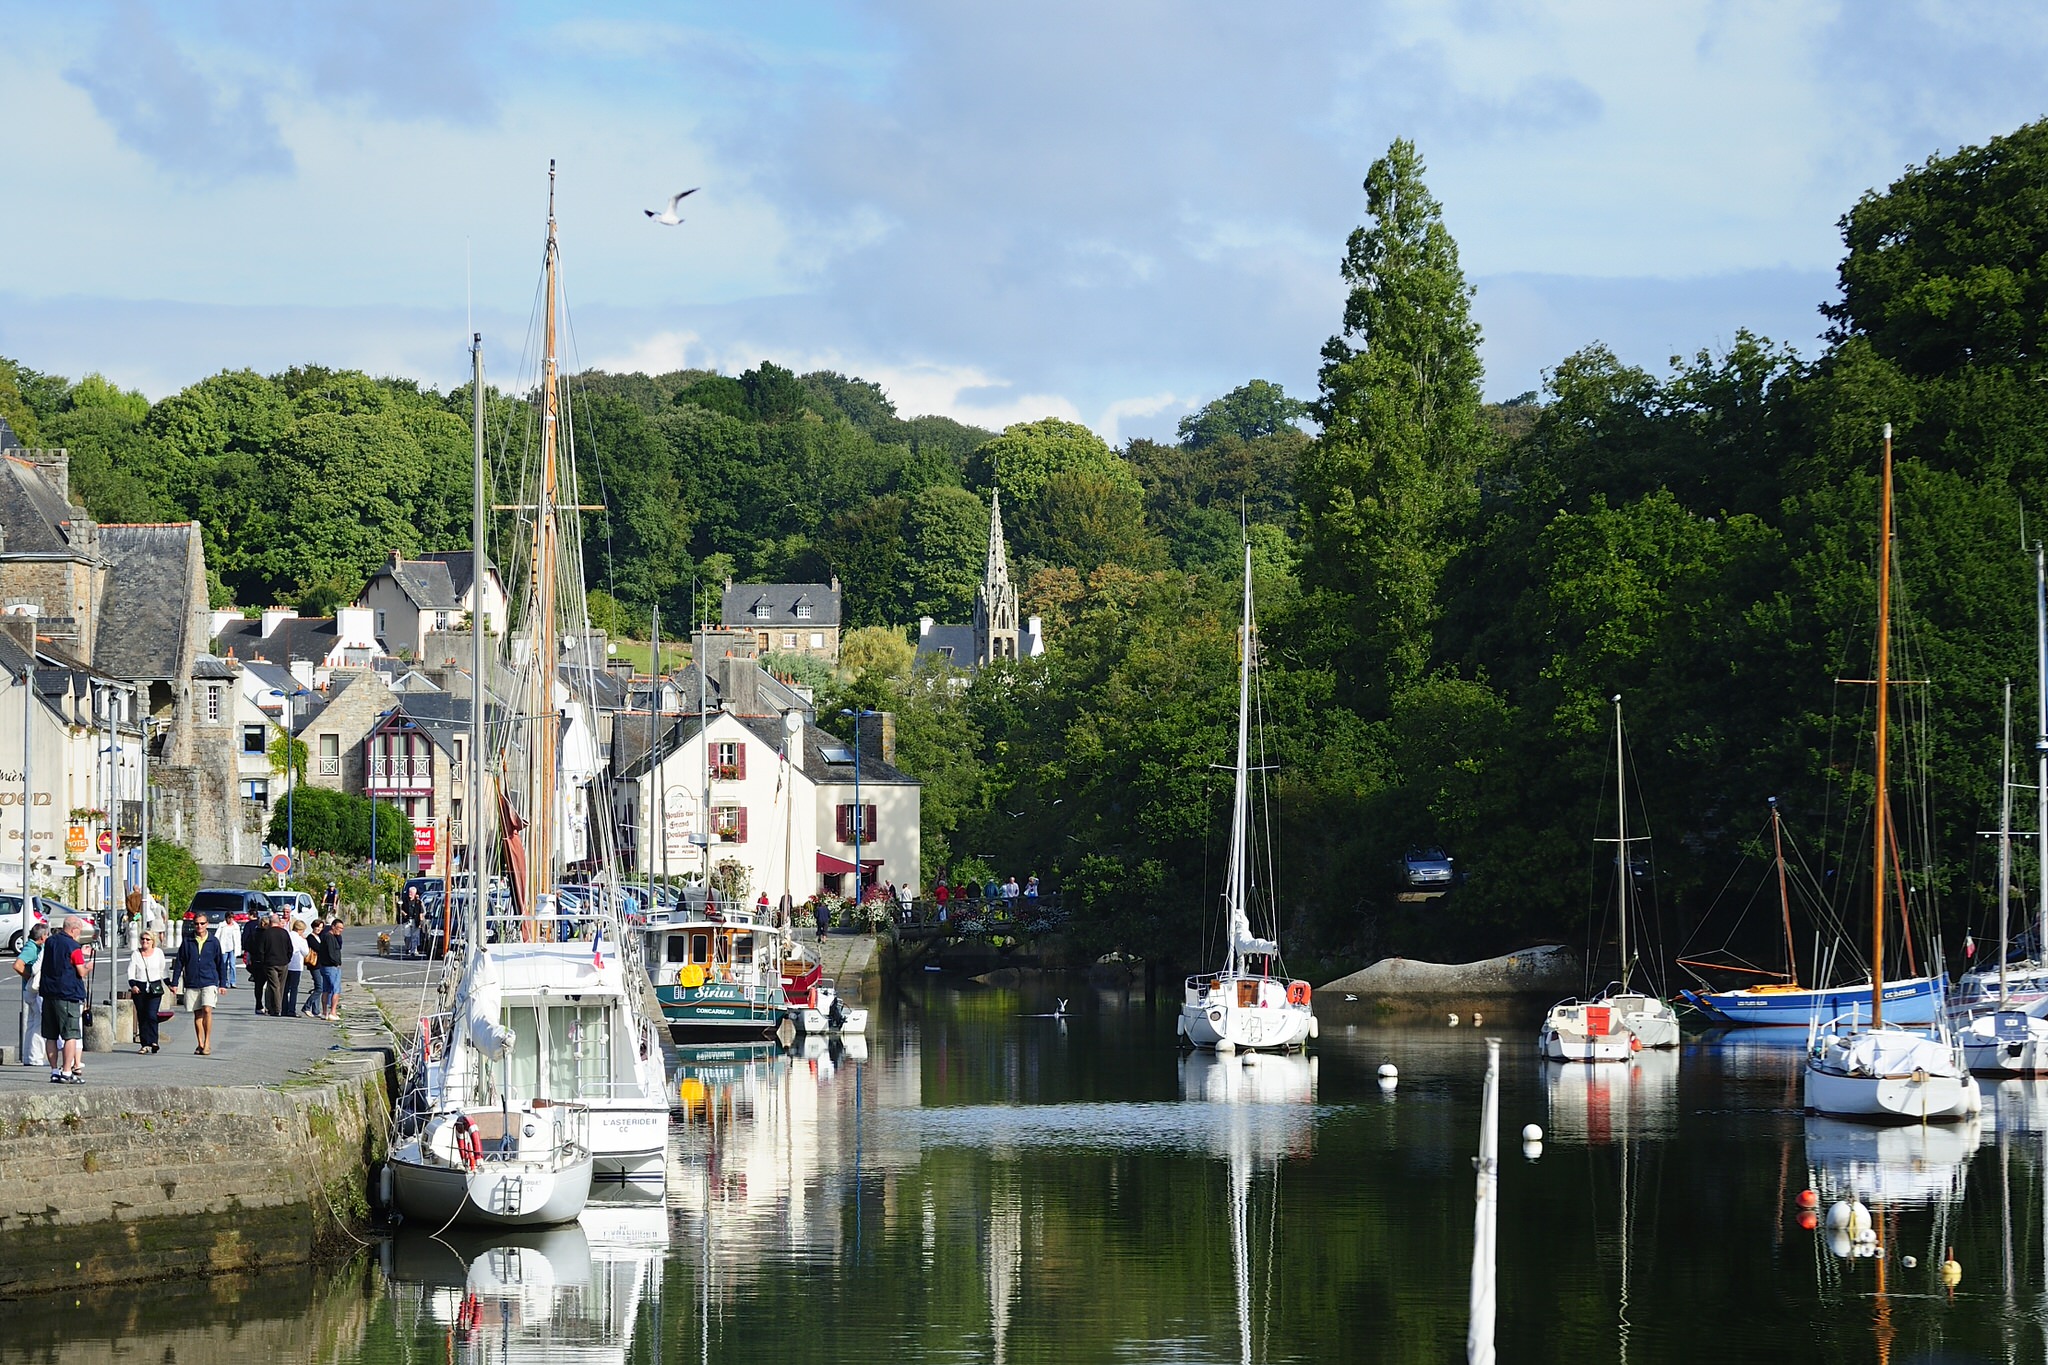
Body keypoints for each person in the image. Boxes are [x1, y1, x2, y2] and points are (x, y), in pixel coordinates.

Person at [39, 915, 91, 1084]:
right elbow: (80, 971)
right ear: (74, 929)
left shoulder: (51, 942)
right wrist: (88, 965)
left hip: (49, 993)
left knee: (51, 1035)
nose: (79, 934)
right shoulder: (73, 946)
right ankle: (67, 1072)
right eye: (79, 931)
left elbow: (60, 959)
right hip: (67, 994)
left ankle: (54, 1071)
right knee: (70, 1035)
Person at [171, 912, 227, 1055]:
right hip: (192, 981)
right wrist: (175, 982)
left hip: (209, 980)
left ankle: (207, 1042)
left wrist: (222, 983)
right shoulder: (188, 941)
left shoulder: (213, 941)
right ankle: (200, 1043)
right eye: (196, 923)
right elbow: (180, 962)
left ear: (207, 924)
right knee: (197, 1014)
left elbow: (220, 963)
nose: (199, 926)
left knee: (207, 1009)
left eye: (202, 923)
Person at [127, 929, 168, 1054]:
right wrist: (133, 985)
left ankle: (154, 1041)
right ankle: (144, 1044)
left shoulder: (158, 953)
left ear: (152, 941)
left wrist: (170, 984)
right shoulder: (136, 954)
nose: (145, 941)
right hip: (140, 987)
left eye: (147, 939)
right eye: (143, 939)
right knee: (142, 1016)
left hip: (154, 988)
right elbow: (131, 972)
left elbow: (163, 970)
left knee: (151, 1014)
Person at [14, 922, 47, 1068]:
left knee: (32, 1023)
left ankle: (28, 1056)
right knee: (39, 1024)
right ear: (42, 937)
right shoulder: (32, 947)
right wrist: (29, 977)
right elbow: (17, 965)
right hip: (33, 990)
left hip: (29, 991)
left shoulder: (34, 946)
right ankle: (35, 1057)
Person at [255, 912, 292, 1017]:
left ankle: (276, 1009)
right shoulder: (285, 933)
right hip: (283, 962)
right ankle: (274, 1007)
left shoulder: (266, 933)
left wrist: (263, 962)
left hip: (270, 963)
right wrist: (287, 959)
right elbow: (290, 949)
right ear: (278, 922)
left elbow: (261, 950)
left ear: (270, 922)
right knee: (280, 986)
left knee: (274, 986)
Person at [314, 918, 344, 1021]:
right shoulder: (330, 937)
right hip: (331, 967)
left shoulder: (328, 937)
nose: (340, 930)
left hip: (324, 967)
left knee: (326, 990)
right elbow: (331, 953)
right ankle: (333, 1012)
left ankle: (324, 1012)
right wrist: (337, 963)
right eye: (339, 928)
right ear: (333, 926)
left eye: (342, 928)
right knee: (336, 990)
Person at [284, 919, 312, 1018]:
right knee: (294, 989)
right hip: (296, 965)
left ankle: (284, 1009)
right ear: (300, 930)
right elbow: (305, 952)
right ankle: (291, 1010)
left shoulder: (288, 935)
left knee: (285, 988)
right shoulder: (300, 939)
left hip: (286, 964)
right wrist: (304, 941)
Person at [217, 912, 241, 989]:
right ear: (226, 918)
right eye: (229, 918)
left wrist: (238, 948)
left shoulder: (236, 926)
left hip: (232, 948)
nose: (231, 920)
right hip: (224, 948)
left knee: (232, 965)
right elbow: (217, 936)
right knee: (223, 965)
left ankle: (233, 982)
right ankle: (224, 981)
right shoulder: (222, 926)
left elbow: (238, 938)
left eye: (232, 918)